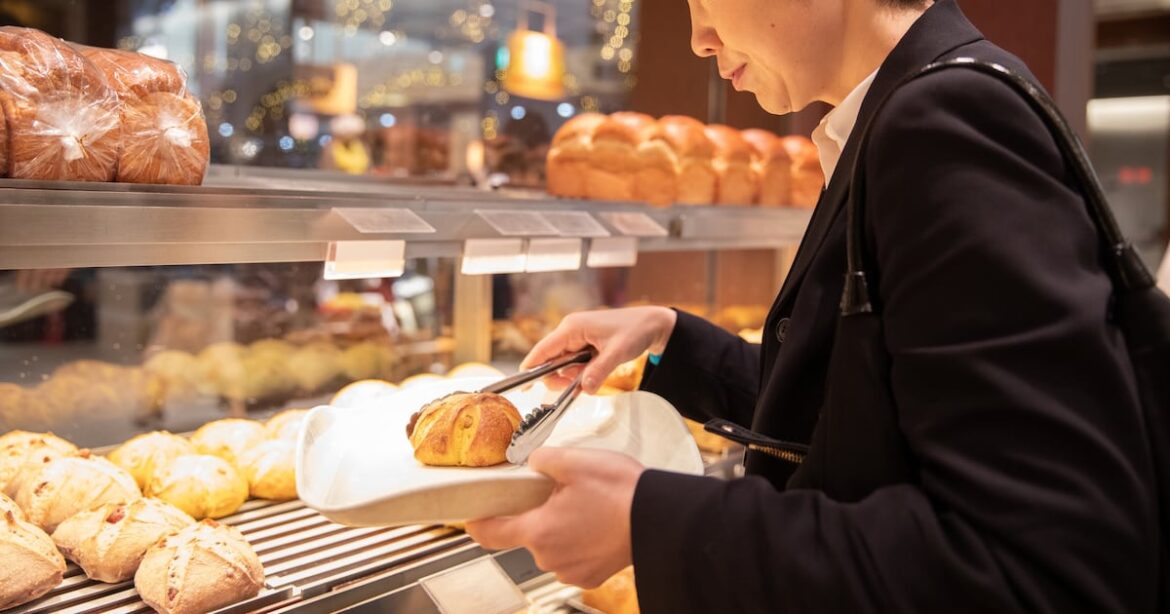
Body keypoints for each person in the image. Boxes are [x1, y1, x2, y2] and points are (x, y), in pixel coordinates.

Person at [465, 0, 1164, 612]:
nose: (697, 37)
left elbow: (1037, 568)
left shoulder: (945, 121)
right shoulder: (893, 115)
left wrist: (653, 523)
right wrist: (670, 342)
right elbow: (866, 416)